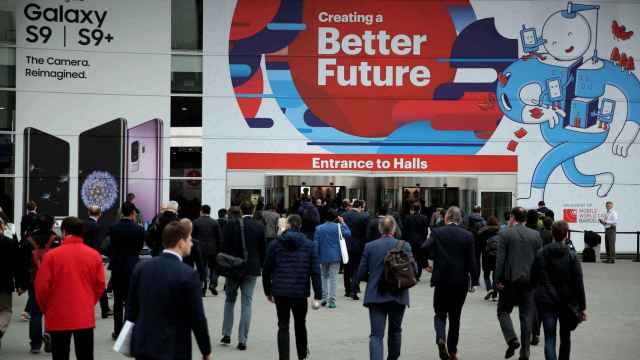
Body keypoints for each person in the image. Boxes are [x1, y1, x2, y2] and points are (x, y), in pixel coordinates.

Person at [126, 219, 212, 360]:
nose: (191, 243)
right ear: (180, 242)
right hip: (173, 348)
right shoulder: (188, 274)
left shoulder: (141, 268)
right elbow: (197, 318)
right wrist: (206, 350)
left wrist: (130, 340)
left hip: (143, 345)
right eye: (189, 239)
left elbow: (131, 309)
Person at [34, 217, 105, 360]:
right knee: (85, 355)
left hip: (58, 313)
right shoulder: (94, 255)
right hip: (83, 313)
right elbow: (100, 285)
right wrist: (89, 302)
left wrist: (47, 308)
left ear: (64, 231)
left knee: (60, 354)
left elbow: (41, 288)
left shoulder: (51, 256)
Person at [262, 214, 322, 360]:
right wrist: (318, 295)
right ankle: (302, 355)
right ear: (300, 226)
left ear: (287, 225)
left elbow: (267, 270)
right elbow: (315, 271)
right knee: (300, 324)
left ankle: (284, 357)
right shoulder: (309, 245)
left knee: (283, 326)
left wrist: (268, 291)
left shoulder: (275, 244)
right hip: (300, 292)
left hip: (280, 291)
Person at [357, 216, 415, 360]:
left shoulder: (370, 246)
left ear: (379, 228)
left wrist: (360, 283)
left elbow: (361, 272)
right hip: (399, 294)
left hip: (376, 295)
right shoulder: (405, 245)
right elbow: (414, 269)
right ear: (394, 229)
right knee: (395, 331)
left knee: (376, 335)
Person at [422, 207, 476, 360]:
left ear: (446, 218)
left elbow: (424, 247)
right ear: (460, 219)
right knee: (455, 316)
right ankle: (452, 351)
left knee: (439, 313)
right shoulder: (468, 235)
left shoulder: (438, 232)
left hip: (441, 280)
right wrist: (474, 280)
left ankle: (440, 338)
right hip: (460, 281)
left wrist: (425, 264)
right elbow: (472, 261)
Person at [530, 220, 587, 360]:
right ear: (566, 234)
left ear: (552, 234)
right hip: (567, 301)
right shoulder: (572, 255)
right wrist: (582, 307)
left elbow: (533, 277)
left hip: (546, 299)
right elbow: (578, 282)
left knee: (549, 337)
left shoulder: (541, 253)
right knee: (565, 336)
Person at [495, 207, 543, 360]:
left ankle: (512, 339)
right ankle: (525, 351)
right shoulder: (535, 235)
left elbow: (500, 260)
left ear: (512, 217)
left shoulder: (505, 233)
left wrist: (497, 280)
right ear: (525, 219)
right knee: (526, 316)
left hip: (510, 281)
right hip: (529, 282)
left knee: (503, 310)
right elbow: (539, 261)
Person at [220, 201, 266, 350]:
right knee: (247, 303)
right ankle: (242, 340)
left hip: (233, 268)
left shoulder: (230, 224)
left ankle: (226, 334)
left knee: (229, 300)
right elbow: (263, 250)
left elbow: (223, 246)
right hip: (251, 269)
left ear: (240, 210)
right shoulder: (259, 226)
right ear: (252, 210)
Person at [23, 214, 60, 354]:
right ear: (52, 224)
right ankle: (49, 334)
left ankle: (35, 344)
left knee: (36, 312)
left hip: (35, 279)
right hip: (52, 280)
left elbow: (24, 262)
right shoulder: (56, 239)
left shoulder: (29, 239)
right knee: (51, 310)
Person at [107, 202, 145, 340]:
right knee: (130, 301)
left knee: (118, 301)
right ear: (133, 213)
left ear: (122, 212)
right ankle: (127, 330)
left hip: (117, 267)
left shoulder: (113, 228)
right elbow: (140, 247)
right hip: (133, 266)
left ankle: (117, 330)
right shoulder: (139, 229)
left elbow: (111, 246)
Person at [314, 208, 351, 309]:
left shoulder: (319, 228)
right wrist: (343, 222)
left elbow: (316, 244)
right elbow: (348, 233)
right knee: (333, 279)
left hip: (322, 256)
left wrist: (315, 257)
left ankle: (324, 298)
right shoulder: (338, 227)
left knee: (324, 277)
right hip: (335, 256)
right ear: (336, 217)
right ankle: (332, 301)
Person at [0, 218, 27, 350]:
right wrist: (20, 284)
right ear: (2, 227)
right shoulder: (9, 243)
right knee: (5, 310)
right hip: (4, 283)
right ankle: (0, 328)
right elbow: (18, 266)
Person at [83, 205, 112, 319]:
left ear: (88, 212)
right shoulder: (98, 228)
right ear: (100, 214)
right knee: (99, 284)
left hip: (82, 256)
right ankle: (105, 309)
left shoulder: (82, 225)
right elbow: (100, 244)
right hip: (94, 257)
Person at [193, 205, 223, 296]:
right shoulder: (214, 222)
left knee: (202, 268)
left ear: (201, 211)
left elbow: (192, 236)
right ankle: (213, 284)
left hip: (199, 248)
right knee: (214, 267)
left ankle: (203, 287)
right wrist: (219, 249)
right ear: (209, 212)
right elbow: (219, 237)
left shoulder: (196, 222)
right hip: (212, 249)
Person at [342, 200, 369, 300]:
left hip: (346, 244)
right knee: (356, 268)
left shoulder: (344, 215)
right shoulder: (364, 217)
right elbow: (366, 233)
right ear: (360, 206)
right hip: (359, 246)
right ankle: (354, 289)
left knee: (346, 268)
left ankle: (347, 290)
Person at [402, 202, 429, 281]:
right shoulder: (424, 218)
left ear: (412, 209)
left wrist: (405, 240)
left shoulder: (407, 218)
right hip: (420, 242)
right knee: (420, 259)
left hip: (410, 241)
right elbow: (425, 231)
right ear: (420, 208)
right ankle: (418, 275)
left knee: (411, 258)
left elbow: (405, 230)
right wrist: (424, 240)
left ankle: (412, 274)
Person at [477, 216, 501, 301]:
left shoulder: (482, 231)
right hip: (497, 255)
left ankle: (489, 288)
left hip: (486, 254)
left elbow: (478, 244)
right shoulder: (499, 230)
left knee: (486, 274)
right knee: (495, 275)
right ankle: (494, 295)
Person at [464, 206, 486, 290]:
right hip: (479, 243)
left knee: (468, 259)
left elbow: (464, 229)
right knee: (477, 261)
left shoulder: (467, 218)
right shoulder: (483, 221)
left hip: (469, 242)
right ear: (479, 211)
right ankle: (476, 279)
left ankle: (469, 279)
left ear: (472, 211)